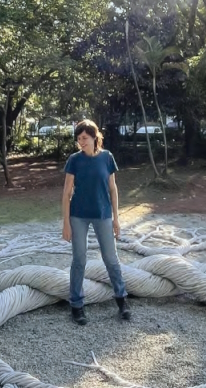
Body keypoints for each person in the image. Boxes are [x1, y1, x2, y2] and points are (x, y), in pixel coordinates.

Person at [61, 119, 130, 325]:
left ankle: (122, 300)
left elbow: (113, 189)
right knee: (79, 259)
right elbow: (66, 193)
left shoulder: (107, 158)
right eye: (78, 138)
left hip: (103, 214)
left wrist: (116, 218)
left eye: (84, 138)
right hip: (78, 215)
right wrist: (65, 223)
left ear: (94, 137)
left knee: (111, 258)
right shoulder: (74, 160)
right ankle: (76, 305)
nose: (81, 142)